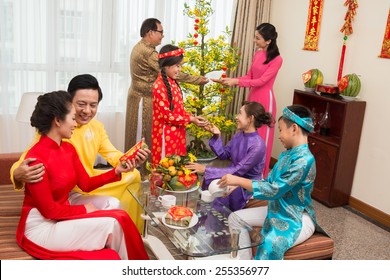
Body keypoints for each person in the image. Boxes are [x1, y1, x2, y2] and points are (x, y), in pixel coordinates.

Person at [16, 90, 148, 260]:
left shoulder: (68, 149)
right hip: (41, 225)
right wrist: (84, 209)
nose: (75, 124)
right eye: (72, 118)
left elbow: (85, 184)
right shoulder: (36, 159)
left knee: (117, 212)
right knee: (114, 222)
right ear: (57, 120)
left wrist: (116, 171)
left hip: (61, 211)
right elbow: (49, 211)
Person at [218, 105, 317, 260]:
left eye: (281, 130)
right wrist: (238, 184)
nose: (279, 135)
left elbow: (273, 190)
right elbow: (268, 181)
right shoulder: (287, 155)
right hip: (276, 210)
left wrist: (238, 180)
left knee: (271, 244)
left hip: (296, 217)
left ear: (294, 129)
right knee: (235, 218)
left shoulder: (304, 160)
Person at [125, 18, 208, 170]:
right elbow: (168, 70)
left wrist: (190, 117)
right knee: (145, 139)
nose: (163, 36)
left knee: (138, 138)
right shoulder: (149, 54)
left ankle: (135, 171)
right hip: (144, 100)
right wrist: (197, 80)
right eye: (160, 32)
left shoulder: (140, 47)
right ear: (150, 32)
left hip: (136, 96)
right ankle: (142, 173)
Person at [216, 23, 283, 178]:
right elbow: (249, 77)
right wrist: (232, 80)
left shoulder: (277, 59)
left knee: (261, 140)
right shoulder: (258, 54)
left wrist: (236, 82)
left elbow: (261, 81)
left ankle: (260, 178)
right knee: (247, 134)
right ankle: (241, 172)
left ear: (268, 41)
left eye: (257, 38)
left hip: (266, 99)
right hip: (252, 97)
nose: (254, 40)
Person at [186, 101, 273, 211]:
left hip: (245, 185)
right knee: (212, 187)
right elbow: (224, 154)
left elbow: (238, 170)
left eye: (240, 114)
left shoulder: (258, 145)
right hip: (233, 175)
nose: (236, 117)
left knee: (216, 192)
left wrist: (205, 169)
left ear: (250, 119)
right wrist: (217, 134)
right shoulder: (239, 135)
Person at [151, 44, 208, 164]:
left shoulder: (172, 82)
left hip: (176, 134)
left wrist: (193, 118)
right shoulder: (159, 86)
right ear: (166, 65)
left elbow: (178, 110)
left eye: (180, 66)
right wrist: (191, 119)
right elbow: (168, 116)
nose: (179, 70)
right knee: (164, 171)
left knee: (175, 169)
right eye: (177, 66)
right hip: (164, 137)